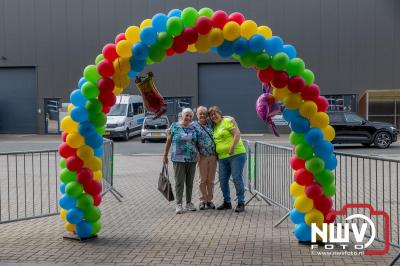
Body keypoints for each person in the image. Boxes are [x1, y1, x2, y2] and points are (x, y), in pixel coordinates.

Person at [208, 106, 247, 213]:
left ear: (220, 113)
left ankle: (241, 202)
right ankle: (227, 202)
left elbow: (237, 134)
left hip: (236, 155)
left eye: (215, 113)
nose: (213, 116)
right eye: (211, 115)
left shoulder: (227, 121)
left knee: (236, 178)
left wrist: (232, 147)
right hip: (222, 158)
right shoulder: (215, 126)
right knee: (222, 180)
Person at [163, 108, 198, 214]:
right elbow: (168, 141)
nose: (188, 118)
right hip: (178, 159)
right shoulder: (174, 126)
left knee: (190, 182)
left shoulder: (193, 127)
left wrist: (198, 154)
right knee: (179, 182)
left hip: (191, 159)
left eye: (190, 116)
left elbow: (195, 143)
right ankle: (178, 204)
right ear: (182, 116)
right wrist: (165, 155)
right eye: (186, 115)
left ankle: (189, 203)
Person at [192, 106, 217, 210]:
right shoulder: (194, 125)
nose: (202, 115)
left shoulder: (211, 124)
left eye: (204, 114)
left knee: (211, 180)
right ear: (197, 115)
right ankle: (202, 200)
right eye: (200, 113)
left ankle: (209, 200)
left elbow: (222, 117)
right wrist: (196, 152)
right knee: (202, 179)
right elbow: (192, 141)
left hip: (213, 156)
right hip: (202, 156)